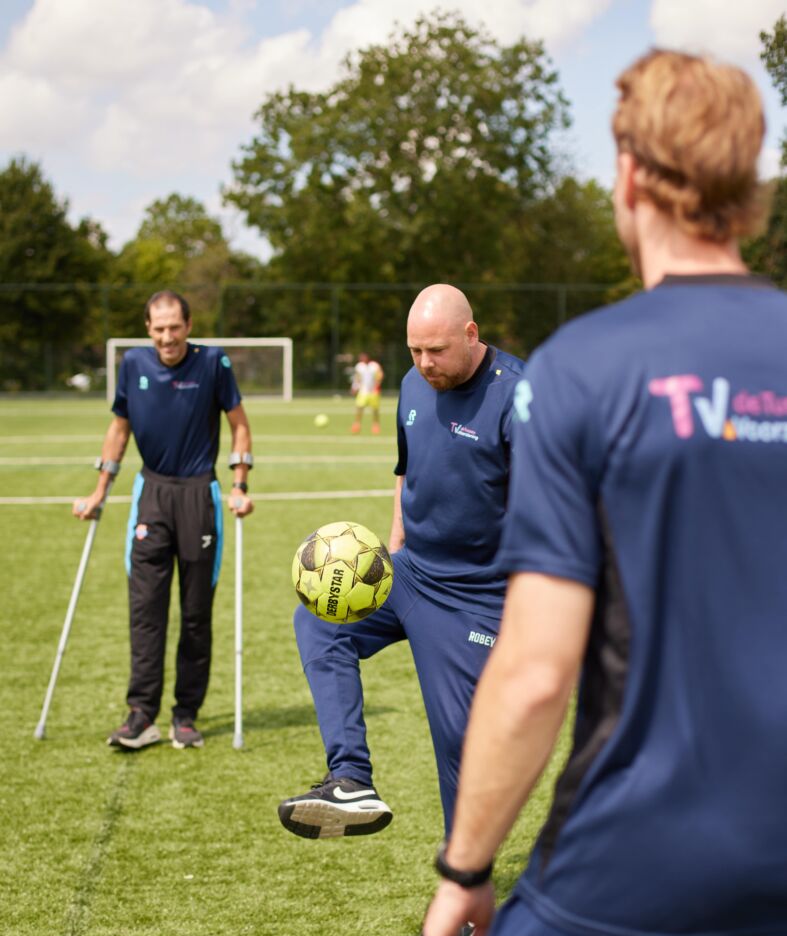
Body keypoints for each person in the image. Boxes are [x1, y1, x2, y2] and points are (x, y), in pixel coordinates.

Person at [422, 49, 787, 936]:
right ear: (746, 183)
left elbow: (537, 668)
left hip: (645, 853)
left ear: (628, 175)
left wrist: (465, 862)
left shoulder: (583, 369)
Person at [278, 284, 525, 847]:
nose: (423, 364)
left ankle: (464, 881)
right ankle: (350, 779)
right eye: (414, 350)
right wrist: (395, 544)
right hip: (412, 572)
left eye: (435, 350)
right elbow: (405, 469)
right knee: (318, 618)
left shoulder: (520, 397)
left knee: (460, 743)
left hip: (480, 597)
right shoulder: (413, 384)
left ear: (471, 334)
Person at [74, 290, 254, 751]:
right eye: (158, 328)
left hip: (200, 496)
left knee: (195, 615)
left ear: (189, 325)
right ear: (148, 328)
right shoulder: (133, 364)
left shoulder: (214, 363)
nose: (167, 336)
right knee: (146, 611)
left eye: (174, 327)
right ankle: (141, 715)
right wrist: (99, 492)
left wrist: (239, 485)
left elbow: (239, 424)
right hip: (150, 496)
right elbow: (119, 428)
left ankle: (186, 716)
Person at [350, 352, 384, 434]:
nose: (362, 359)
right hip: (363, 392)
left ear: (368, 357)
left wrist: (378, 384)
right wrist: (354, 387)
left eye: (364, 357)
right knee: (359, 408)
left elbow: (380, 374)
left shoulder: (374, 365)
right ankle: (357, 424)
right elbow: (357, 378)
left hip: (373, 392)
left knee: (375, 410)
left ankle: (376, 425)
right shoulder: (359, 366)